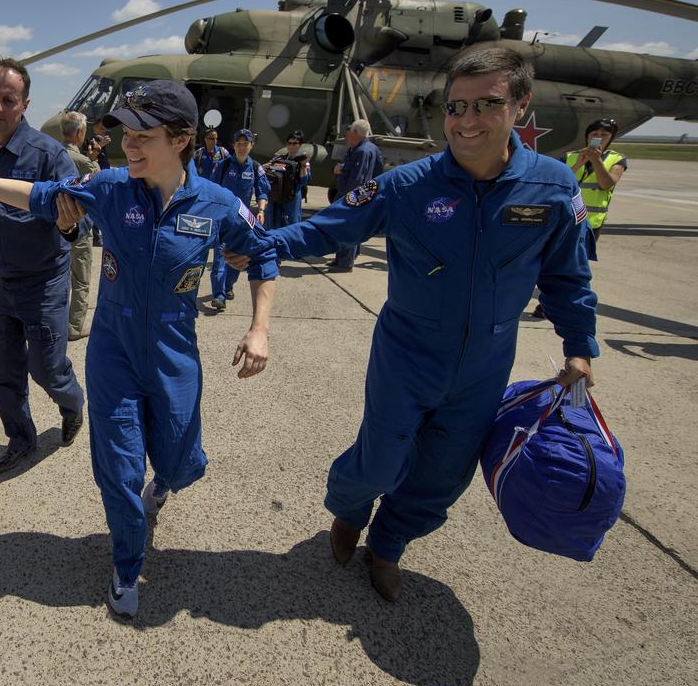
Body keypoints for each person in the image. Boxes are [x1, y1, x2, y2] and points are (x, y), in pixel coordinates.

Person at [229, 46, 597, 601]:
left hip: (485, 364)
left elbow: (568, 276)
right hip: (408, 352)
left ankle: (389, 544)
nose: (466, 120)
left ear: (520, 107)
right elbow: (329, 228)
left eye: (486, 105)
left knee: (443, 476)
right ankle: (350, 512)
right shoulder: (407, 185)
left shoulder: (554, 188)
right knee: (379, 462)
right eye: (456, 107)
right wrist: (258, 245)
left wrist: (580, 346)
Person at [0, 79, 279, 619]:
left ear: (181, 139)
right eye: (125, 134)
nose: (128, 145)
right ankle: (126, 564)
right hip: (113, 353)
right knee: (118, 467)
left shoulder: (218, 205)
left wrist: (259, 328)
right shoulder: (109, 189)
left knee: (181, 463)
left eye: (143, 136)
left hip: (175, 355)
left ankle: (168, 484)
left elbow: (264, 255)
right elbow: (37, 196)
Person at [0, 58, 86, 474]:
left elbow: (82, 223)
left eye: (9, 100)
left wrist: (68, 224)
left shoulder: (49, 155)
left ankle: (73, 402)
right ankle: (21, 438)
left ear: (25, 104)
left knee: (47, 368)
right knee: (0, 373)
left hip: (43, 283)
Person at [531, 117, 625, 318]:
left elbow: (606, 183)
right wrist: (579, 163)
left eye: (604, 135)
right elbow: (558, 181)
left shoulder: (616, 160)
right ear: (587, 136)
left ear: (611, 138)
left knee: (576, 266)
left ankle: (569, 304)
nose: (598, 138)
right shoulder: (571, 156)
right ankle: (546, 301)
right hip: (564, 219)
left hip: (590, 224)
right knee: (549, 261)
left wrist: (597, 161)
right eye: (594, 134)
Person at [209, 128, 270, 311]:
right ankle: (218, 295)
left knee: (237, 258)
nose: (242, 147)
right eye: (238, 143)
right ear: (234, 145)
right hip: (222, 219)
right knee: (220, 257)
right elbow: (212, 187)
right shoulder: (223, 165)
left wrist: (261, 210)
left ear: (251, 145)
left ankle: (228, 287)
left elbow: (263, 191)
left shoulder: (255, 168)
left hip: (243, 220)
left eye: (245, 143)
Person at [60, 111, 101, 340]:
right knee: (81, 279)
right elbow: (100, 182)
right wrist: (94, 159)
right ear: (79, 133)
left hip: (56, 227)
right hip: (80, 228)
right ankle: (74, 327)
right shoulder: (83, 162)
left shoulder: (53, 154)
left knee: (58, 278)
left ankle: (55, 322)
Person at [328, 120, 383, 272]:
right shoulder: (369, 148)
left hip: (353, 195)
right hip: (364, 194)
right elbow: (378, 171)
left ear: (356, 133)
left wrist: (347, 199)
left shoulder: (362, 151)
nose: (347, 134)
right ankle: (345, 258)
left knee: (347, 229)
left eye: (349, 131)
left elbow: (357, 179)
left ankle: (344, 263)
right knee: (354, 229)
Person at [268, 130, 312, 227]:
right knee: (274, 222)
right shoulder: (279, 159)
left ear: (300, 145)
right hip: (278, 195)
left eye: (295, 143)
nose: (291, 146)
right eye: (289, 143)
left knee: (292, 224)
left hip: (292, 197)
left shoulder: (303, 161)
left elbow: (304, 181)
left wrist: (303, 166)